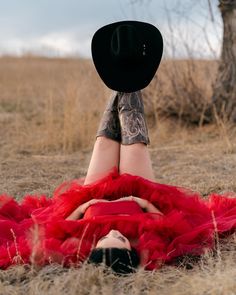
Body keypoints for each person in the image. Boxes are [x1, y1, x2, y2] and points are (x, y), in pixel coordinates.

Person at [65, 90, 163, 274]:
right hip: (138, 192)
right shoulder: (142, 241)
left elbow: (62, 228)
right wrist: (142, 202)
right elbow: (164, 223)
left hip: (95, 192)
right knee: (134, 147)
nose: (112, 233)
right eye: (119, 239)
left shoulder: (84, 240)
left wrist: (84, 206)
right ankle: (131, 83)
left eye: (104, 240)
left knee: (103, 142)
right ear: (130, 250)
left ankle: (117, 83)